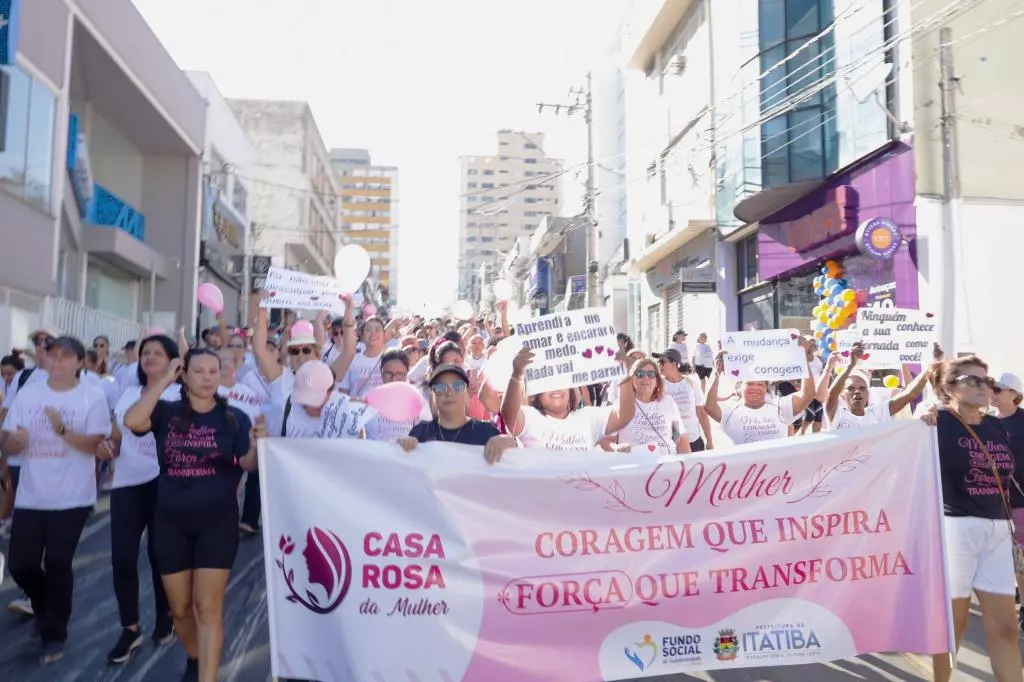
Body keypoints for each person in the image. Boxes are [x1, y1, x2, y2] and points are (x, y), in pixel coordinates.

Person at [124, 348, 258, 682]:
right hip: (170, 522)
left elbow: (248, 464)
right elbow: (132, 421)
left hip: (218, 522)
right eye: (199, 371)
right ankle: (198, 658)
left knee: (207, 609)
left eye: (214, 371)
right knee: (180, 610)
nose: (209, 377)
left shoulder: (235, 418)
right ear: (184, 374)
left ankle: (207, 677)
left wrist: (256, 444)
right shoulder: (166, 412)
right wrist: (164, 381)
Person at [3, 336, 112, 664]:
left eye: (66, 356)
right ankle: (44, 608)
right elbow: (7, 442)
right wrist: (14, 443)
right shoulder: (29, 393)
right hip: (32, 495)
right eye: (53, 355)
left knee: (58, 563)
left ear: (81, 362)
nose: (57, 361)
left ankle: (55, 633)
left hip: (72, 496)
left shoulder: (91, 395)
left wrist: (61, 429)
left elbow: (95, 444)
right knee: (21, 564)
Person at [920, 355, 1022, 682]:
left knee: (1007, 628)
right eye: (973, 380)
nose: (984, 386)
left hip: (997, 531)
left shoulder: (995, 426)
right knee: (955, 626)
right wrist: (921, 416)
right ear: (950, 387)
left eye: (986, 380)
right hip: (956, 531)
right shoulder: (935, 424)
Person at [101, 335, 181, 664]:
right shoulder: (129, 392)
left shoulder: (181, 394)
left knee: (159, 556)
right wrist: (107, 448)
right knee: (122, 558)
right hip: (127, 483)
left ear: (172, 361)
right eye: (145, 352)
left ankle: (165, 615)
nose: (148, 357)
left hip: (164, 484)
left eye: (157, 353)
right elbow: (118, 435)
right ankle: (130, 628)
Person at [500, 347, 636, 451]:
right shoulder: (530, 417)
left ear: (571, 391)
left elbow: (624, 416)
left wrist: (624, 375)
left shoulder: (588, 418)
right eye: (548, 383)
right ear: (537, 395)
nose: (556, 388)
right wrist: (517, 375)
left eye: (561, 382)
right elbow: (509, 413)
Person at [703, 348, 816, 445]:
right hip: (745, 469)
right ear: (740, 387)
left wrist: (803, 361)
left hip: (778, 468)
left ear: (766, 388)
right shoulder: (730, 410)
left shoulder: (779, 406)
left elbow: (807, 395)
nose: (755, 388)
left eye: (760, 384)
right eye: (750, 384)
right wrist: (716, 372)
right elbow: (709, 406)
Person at [990, 371, 1024, 629]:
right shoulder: (986, 423)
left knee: (1021, 556)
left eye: (999, 389)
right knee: (1013, 558)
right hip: (995, 502)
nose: (993, 392)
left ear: (1014, 394)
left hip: (1020, 500)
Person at [613, 357, 691, 455]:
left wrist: (689, 465)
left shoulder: (669, 402)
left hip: (667, 465)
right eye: (640, 374)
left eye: (651, 374)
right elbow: (607, 441)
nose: (645, 378)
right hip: (635, 466)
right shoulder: (620, 405)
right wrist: (617, 447)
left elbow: (680, 437)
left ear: (657, 381)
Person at [656, 348, 713, 451]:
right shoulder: (658, 386)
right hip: (671, 444)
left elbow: (701, 413)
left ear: (674, 364)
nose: (659, 365)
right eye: (658, 362)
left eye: (662, 362)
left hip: (694, 441)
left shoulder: (691, 383)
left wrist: (709, 441)